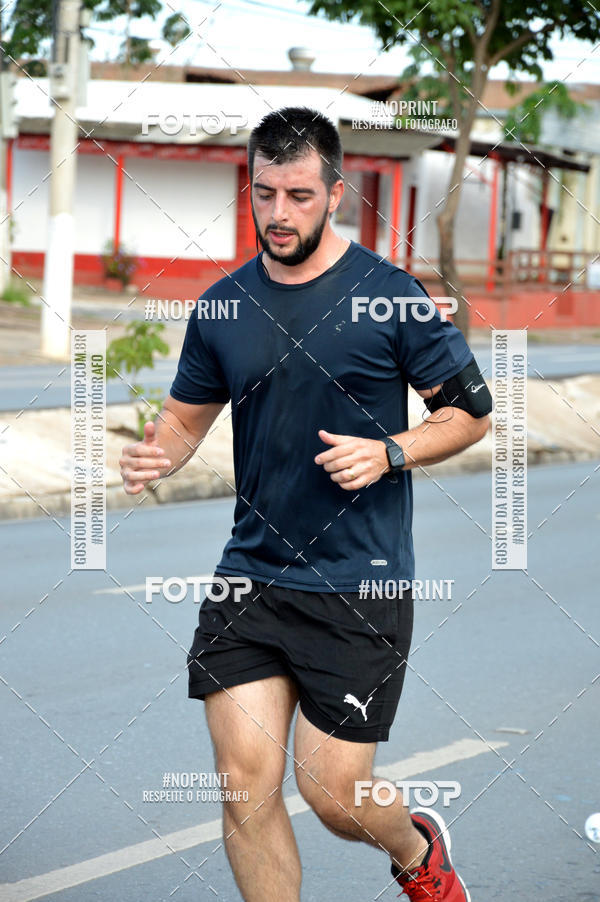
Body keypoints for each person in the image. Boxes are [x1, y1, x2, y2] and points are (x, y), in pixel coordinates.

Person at [120, 106, 491, 901]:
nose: (278, 214)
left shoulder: (390, 296)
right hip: (249, 574)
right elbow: (187, 417)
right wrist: (159, 453)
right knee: (244, 789)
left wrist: (392, 448)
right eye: (264, 194)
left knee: (332, 795)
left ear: (334, 192)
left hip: (360, 583)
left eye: (296, 195)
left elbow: (470, 413)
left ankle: (418, 850)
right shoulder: (222, 306)